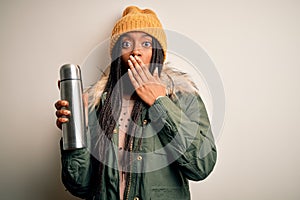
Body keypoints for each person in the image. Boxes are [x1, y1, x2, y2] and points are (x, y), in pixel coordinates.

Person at [55, 6, 217, 200]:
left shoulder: (183, 97)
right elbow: (79, 186)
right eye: (126, 44)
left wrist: (160, 103)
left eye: (146, 43)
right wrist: (74, 134)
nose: (136, 51)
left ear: (158, 52)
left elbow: (202, 166)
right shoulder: (97, 104)